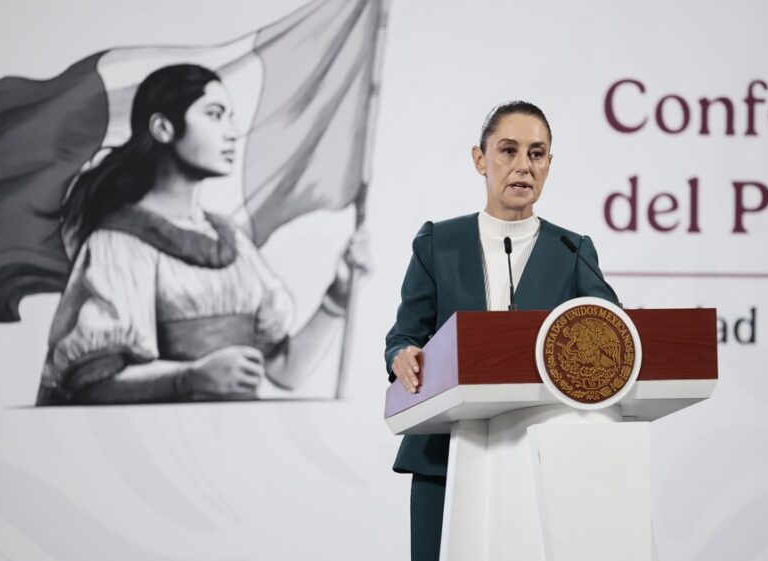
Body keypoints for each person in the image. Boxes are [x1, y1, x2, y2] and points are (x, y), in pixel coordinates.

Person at [36, 64, 366, 405]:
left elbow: (286, 370)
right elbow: (93, 386)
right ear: (163, 128)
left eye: (229, 117)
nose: (231, 132)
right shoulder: (119, 242)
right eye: (214, 114)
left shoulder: (233, 241)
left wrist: (338, 295)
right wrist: (190, 377)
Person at [384, 101, 618, 560]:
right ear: (480, 159)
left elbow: (612, 336)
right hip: (443, 456)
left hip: (540, 456)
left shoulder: (571, 250)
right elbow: (404, 335)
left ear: (550, 164)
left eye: (537, 153)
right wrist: (402, 354)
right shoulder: (439, 243)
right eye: (508, 150)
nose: (522, 166)